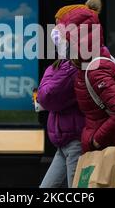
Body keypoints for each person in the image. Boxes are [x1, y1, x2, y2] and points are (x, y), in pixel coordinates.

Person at [55, 0, 115, 188]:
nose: (62, 45)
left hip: (113, 156)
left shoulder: (95, 71)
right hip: (105, 152)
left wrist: (95, 140)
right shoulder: (87, 66)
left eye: (65, 39)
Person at [37, 21, 85, 188]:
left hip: (75, 142)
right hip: (63, 143)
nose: (58, 47)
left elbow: (46, 95)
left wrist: (51, 70)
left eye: (60, 42)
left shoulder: (72, 68)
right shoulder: (64, 66)